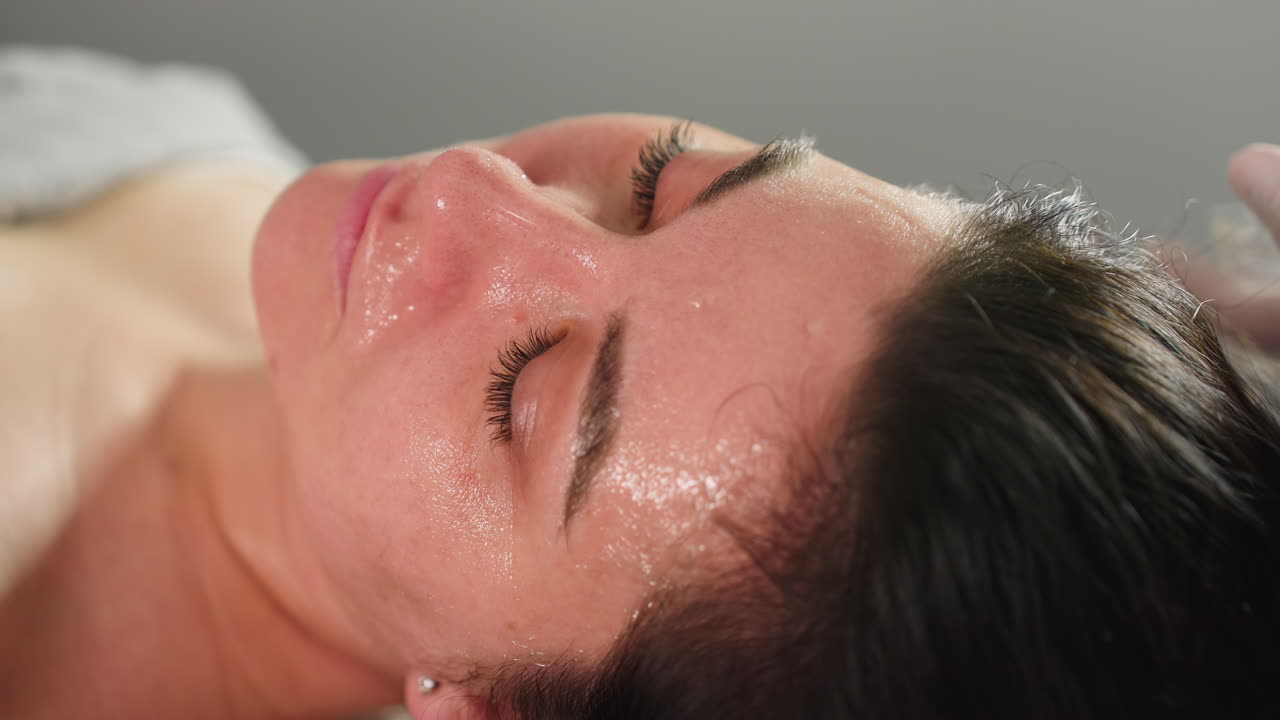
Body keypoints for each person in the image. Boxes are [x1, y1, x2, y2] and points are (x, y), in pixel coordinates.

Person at [1, 48, 1278, 720]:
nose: (469, 191)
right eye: (667, 183)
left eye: (523, 387)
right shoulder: (276, 259)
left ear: (493, 706)